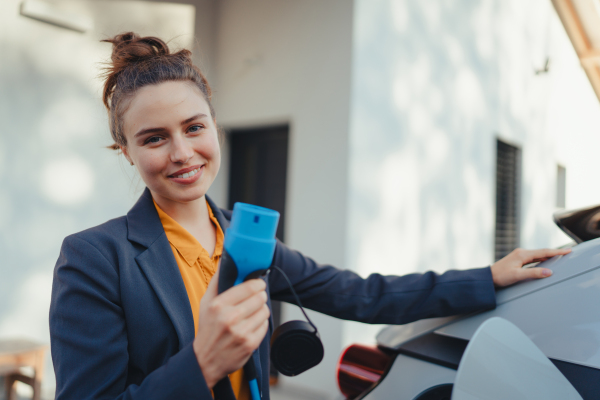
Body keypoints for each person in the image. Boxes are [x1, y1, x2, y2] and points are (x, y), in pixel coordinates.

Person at [49, 32, 570, 400]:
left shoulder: (244, 240)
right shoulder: (94, 257)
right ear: (126, 152)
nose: (182, 152)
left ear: (216, 129)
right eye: (154, 138)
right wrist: (202, 361)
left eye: (194, 127)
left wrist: (488, 276)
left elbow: (361, 293)